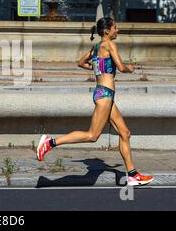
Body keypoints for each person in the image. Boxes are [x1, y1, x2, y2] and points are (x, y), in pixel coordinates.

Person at [36, 17, 154, 187]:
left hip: (104, 94)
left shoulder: (97, 47)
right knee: (92, 136)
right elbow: (121, 67)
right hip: (105, 95)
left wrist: (97, 67)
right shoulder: (109, 45)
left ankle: (133, 175)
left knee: (125, 133)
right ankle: (50, 142)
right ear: (107, 31)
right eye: (115, 28)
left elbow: (80, 62)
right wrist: (131, 68)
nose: (117, 30)